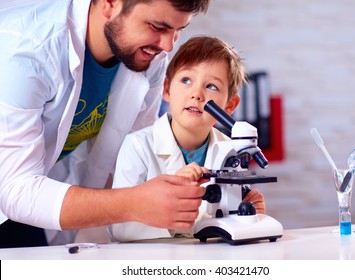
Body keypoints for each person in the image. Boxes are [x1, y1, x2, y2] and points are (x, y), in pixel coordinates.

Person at [0, 0, 211, 248]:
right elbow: (15, 190)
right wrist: (134, 204)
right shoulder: (26, 53)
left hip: (30, 191)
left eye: (178, 30)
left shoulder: (147, 56)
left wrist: (209, 206)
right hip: (14, 190)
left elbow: (139, 158)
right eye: (157, 26)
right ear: (110, 4)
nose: (167, 45)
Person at [110, 36, 266, 242]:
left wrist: (250, 216)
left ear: (229, 106)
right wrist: (174, 201)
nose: (196, 94)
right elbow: (122, 228)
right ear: (167, 89)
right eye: (186, 80)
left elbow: (227, 219)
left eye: (211, 86)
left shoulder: (230, 150)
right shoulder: (137, 146)